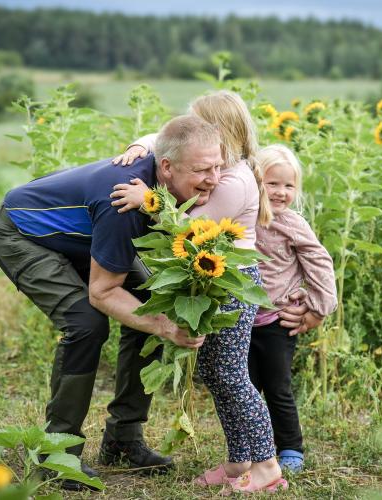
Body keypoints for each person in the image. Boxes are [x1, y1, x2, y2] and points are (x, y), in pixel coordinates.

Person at [0, 115, 222, 491]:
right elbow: (102, 293)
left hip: (80, 237)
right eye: (202, 170)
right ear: (166, 167)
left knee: (151, 298)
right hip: (23, 233)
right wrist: (164, 327)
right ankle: (57, 453)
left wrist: (161, 314)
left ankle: (123, 440)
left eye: (217, 166)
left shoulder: (159, 176)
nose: (213, 177)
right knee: (86, 322)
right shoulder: (122, 200)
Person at [110, 90, 292, 493]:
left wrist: (149, 201)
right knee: (215, 372)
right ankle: (237, 462)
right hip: (218, 283)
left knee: (231, 376)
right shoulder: (226, 167)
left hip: (233, 285)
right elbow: (166, 136)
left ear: (220, 135)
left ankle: (266, 466)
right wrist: (142, 145)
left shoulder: (233, 181)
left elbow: (188, 229)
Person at [249, 144, 337, 473]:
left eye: (289, 185)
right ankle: (250, 449)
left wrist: (317, 308)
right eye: (272, 183)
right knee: (245, 388)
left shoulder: (291, 223)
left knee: (278, 386)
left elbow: (319, 264)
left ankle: (290, 448)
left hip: (278, 319)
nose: (281, 192)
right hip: (240, 321)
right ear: (255, 181)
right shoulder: (242, 216)